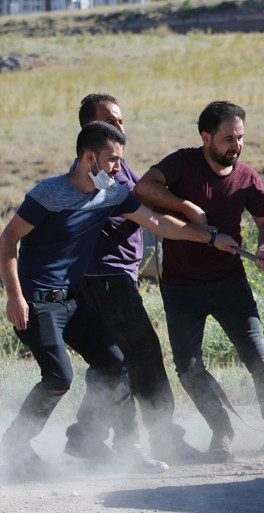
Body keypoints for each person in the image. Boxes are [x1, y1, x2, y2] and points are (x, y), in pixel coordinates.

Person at [0, 122, 238, 477]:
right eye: (112, 159)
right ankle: (15, 446)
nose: (118, 167)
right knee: (58, 377)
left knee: (116, 364)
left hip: (72, 300)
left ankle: (127, 449)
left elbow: (157, 223)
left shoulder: (110, 193)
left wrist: (209, 238)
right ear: (89, 158)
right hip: (36, 302)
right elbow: (7, 240)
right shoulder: (48, 194)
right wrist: (15, 296)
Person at [133, 101, 264, 462]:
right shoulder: (182, 163)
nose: (236, 145)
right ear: (206, 137)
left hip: (230, 282)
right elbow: (143, 188)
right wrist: (187, 207)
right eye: (229, 138)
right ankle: (222, 430)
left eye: (240, 137)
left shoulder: (248, 177)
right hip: (180, 287)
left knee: (261, 361)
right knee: (188, 368)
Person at [68, 93, 200, 464]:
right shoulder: (96, 174)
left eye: (121, 120)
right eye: (110, 121)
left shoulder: (115, 164)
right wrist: (201, 230)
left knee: (111, 361)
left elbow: (145, 196)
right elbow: (149, 215)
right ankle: (156, 442)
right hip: (105, 278)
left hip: (109, 277)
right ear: (90, 128)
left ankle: (85, 437)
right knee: (141, 357)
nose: (119, 126)